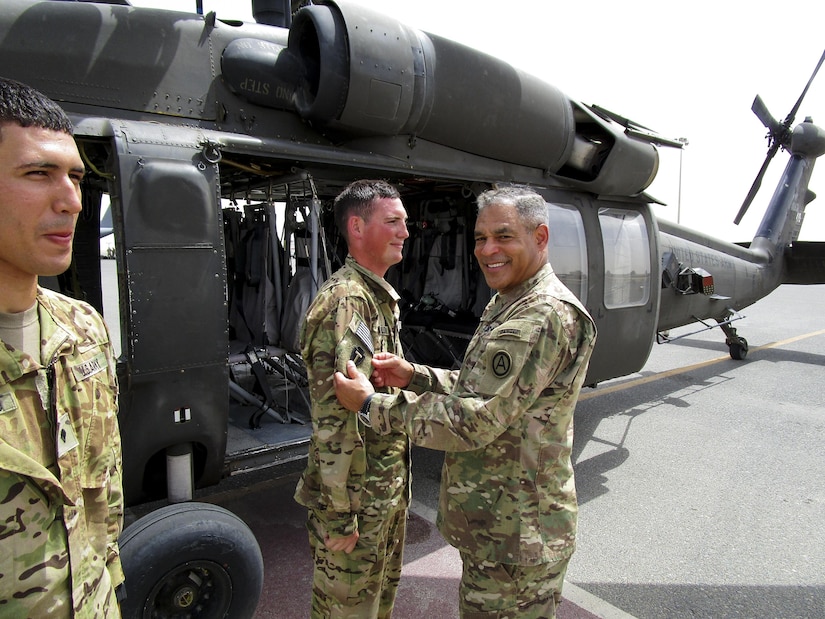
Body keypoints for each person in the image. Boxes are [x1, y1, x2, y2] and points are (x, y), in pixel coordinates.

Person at [334, 186, 597, 618]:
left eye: (504, 236)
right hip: (499, 528)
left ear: (541, 237)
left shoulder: (539, 315)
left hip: (516, 537)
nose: (487, 250)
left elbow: (473, 420)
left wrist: (370, 405)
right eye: (480, 238)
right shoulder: (511, 301)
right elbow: (482, 387)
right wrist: (414, 375)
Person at [0, 77, 124, 616]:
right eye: (38, 174)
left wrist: (109, 580)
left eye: (75, 176)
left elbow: (105, 487)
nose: (72, 200)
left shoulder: (83, 330)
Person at [294, 179, 411, 618]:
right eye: (393, 222)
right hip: (357, 506)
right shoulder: (349, 301)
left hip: (379, 497)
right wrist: (342, 514)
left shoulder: (373, 297)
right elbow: (336, 416)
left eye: (405, 222)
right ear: (357, 228)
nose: (405, 232)